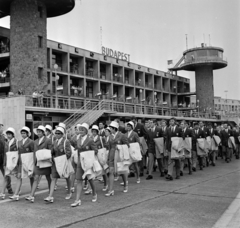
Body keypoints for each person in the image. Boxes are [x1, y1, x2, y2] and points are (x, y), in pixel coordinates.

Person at [71, 123, 98, 207]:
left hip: (88, 162)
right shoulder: (78, 139)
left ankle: (94, 193)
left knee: (90, 179)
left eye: (82, 130)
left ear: (86, 131)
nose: (81, 131)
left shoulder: (90, 140)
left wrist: (88, 155)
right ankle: (77, 200)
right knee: (79, 180)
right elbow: (75, 147)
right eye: (80, 130)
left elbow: (96, 150)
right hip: (80, 162)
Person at [44, 126, 72, 203]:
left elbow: (69, 153)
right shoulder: (55, 142)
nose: (57, 134)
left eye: (59, 133)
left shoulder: (66, 141)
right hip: (55, 162)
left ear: (62, 134)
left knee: (67, 177)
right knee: (54, 178)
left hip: (63, 162)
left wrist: (62, 159)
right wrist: (51, 156)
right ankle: (50, 196)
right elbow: (52, 152)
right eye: (56, 133)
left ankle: (69, 192)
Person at [26, 126, 52, 203]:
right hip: (38, 162)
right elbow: (34, 152)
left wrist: (45, 152)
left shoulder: (48, 140)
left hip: (46, 162)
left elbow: (51, 150)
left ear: (43, 132)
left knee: (48, 178)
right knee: (36, 177)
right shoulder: (35, 141)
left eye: (40, 131)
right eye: (38, 131)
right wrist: (34, 162)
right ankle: (32, 195)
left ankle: (50, 195)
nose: (38, 133)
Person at [105, 121, 129, 196]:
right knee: (111, 172)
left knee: (121, 171)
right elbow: (109, 147)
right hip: (112, 155)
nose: (110, 130)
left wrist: (120, 147)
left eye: (111, 128)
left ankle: (125, 185)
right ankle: (110, 190)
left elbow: (127, 145)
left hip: (119, 156)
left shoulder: (122, 135)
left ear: (114, 128)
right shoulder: (110, 136)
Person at [10, 127, 34, 201]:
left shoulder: (31, 142)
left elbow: (33, 153)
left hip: (29, 162)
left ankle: (32, 194)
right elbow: (18, 153)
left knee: (31, 177)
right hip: (21, 162)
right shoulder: (19, 142)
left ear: (27, 134)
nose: (23, 134)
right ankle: (16, 194)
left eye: (24, 133)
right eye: (22, 133)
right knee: (19, 177)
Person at [0, 128, 18, 199]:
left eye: (10, 134)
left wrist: (17, 162)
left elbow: (17, 153)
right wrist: (5, 163)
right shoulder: (6, 142)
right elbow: (5, 153)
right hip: (6, 161)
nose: (8, 135)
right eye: (7, 134)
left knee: (17, 177)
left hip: (12, 162)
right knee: (6, 176)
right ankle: (2, 193)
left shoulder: (15, 141)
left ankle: (16, 191)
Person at [0, 123, 13, 195]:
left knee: (6, 175)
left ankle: (9, 188)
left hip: (3, 159)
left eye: (1, 127)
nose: (1, 129)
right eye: (1, 127)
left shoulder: (4, 137)